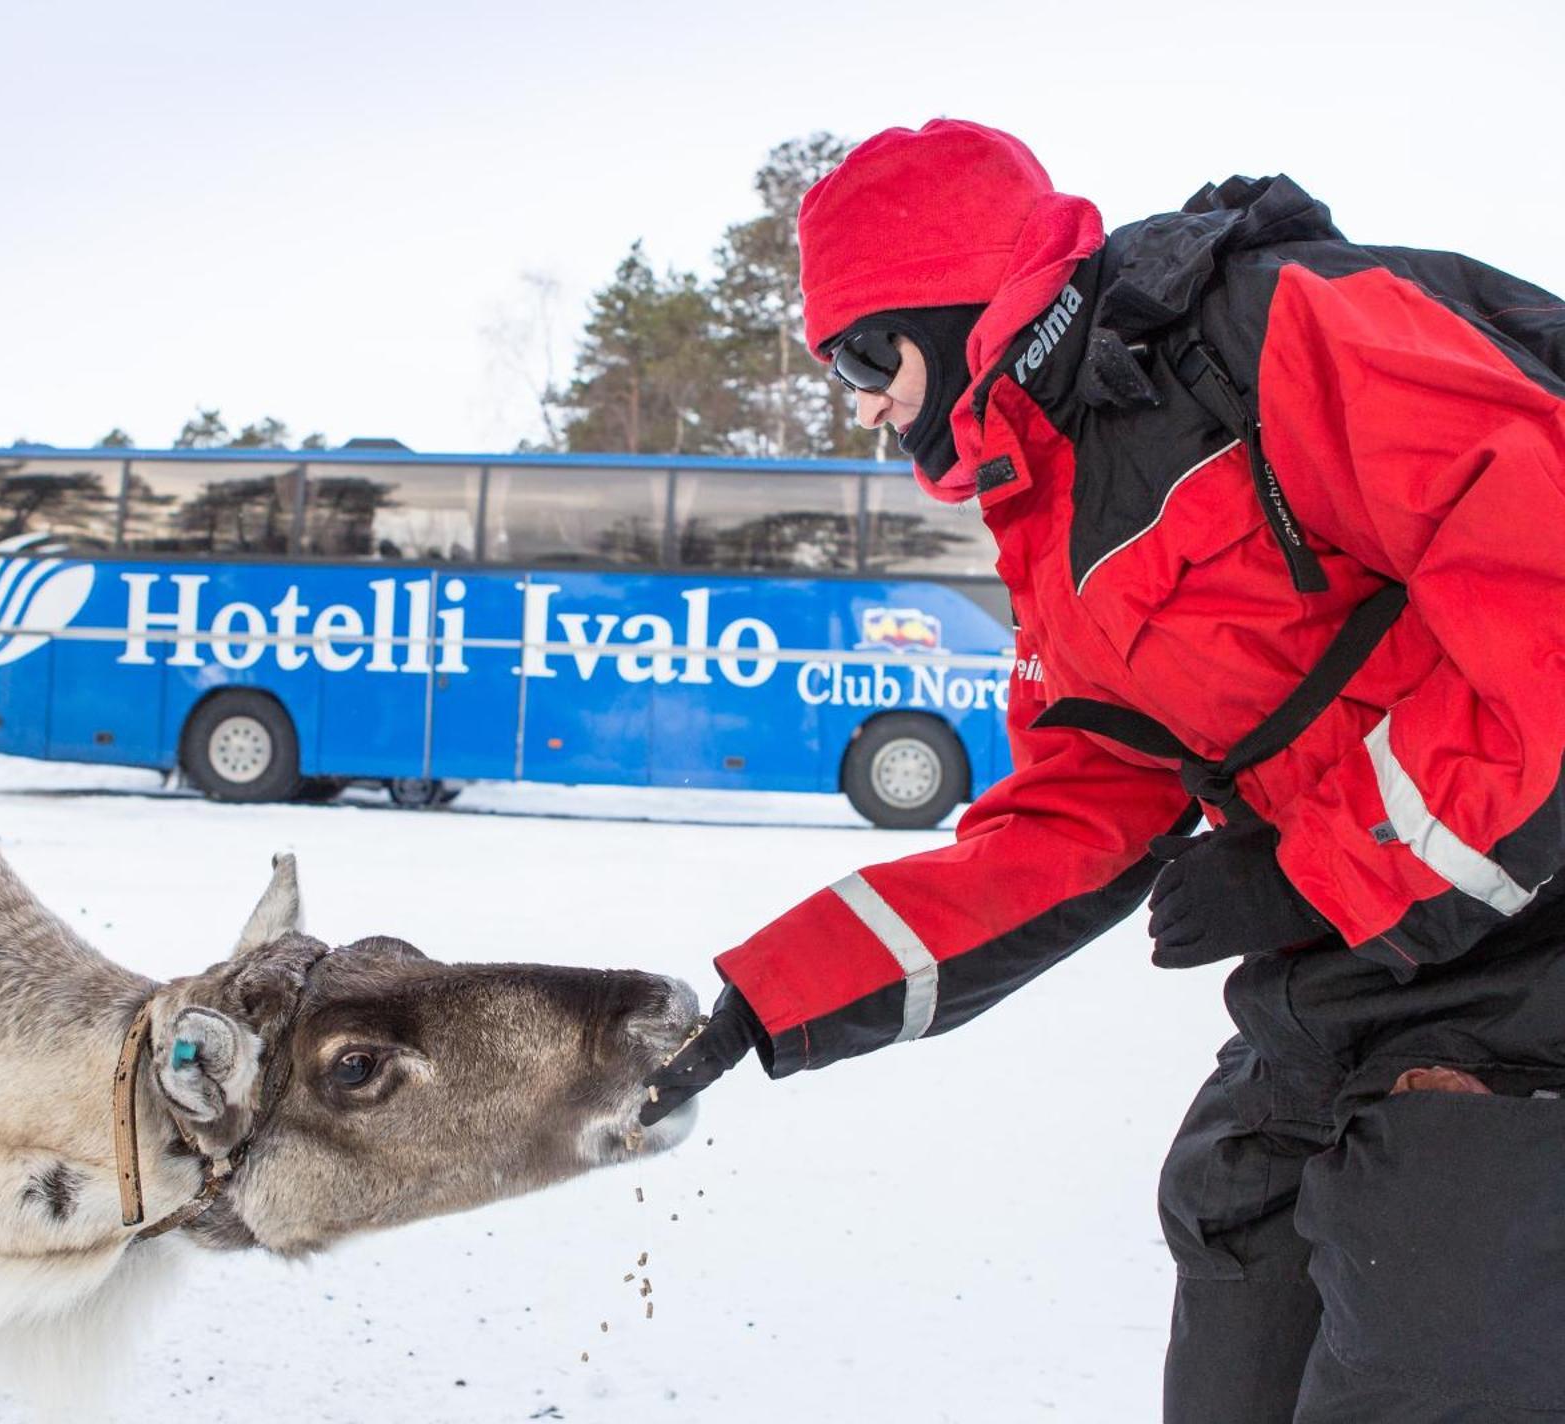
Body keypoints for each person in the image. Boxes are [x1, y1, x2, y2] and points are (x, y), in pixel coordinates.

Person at [642, 119, 1565, 1422]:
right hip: (1358, 973)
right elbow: (1065, 827)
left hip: (1531, 948)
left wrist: (1316, 873)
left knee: (1434, 1294)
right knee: (1238, 1241)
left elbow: (1548, 608)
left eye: (862, 352)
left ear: (954, 304)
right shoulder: (1052, 525)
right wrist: (761, 1004)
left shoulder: (1285, 329)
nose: (859, 400)